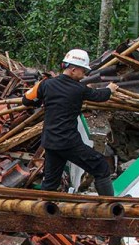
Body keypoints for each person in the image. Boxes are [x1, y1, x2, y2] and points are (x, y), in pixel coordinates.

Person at [22, 48, 118, 195]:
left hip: (50, 142)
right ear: (73, 70)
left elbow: (27, 100)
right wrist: (110, 89)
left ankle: (42, 211)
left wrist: (42, 101)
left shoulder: (46, 84)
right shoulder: (79, 89)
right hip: (68, 143)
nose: (84, 75)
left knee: (50, 183)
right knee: (101, 167)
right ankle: (111, 207)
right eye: (83, 71)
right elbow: (99, 96)